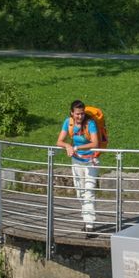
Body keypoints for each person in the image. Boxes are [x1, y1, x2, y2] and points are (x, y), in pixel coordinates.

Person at [56, 100, 99, 234]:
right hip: (76, 161)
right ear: (72, 113)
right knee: (80, 192)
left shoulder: (90, 123)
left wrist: (77, 147)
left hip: (91, 160)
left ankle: (89, 225)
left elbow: (95, 143)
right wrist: (68, 146)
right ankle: (86, 220)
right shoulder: (68, 123)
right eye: (77, 114)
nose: (80, 116)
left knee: (89, 191)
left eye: (82, 113)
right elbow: (59, 141)